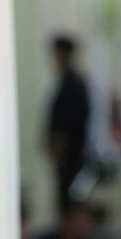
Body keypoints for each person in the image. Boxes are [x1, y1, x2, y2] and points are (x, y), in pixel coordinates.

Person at [45, 32, 93, 211]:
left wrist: (58, 150)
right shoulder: (72, 82)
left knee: (68, 203)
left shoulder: (71, 84)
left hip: (70, 156)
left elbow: (65, 123)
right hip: (72, 155)